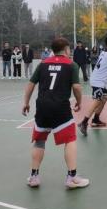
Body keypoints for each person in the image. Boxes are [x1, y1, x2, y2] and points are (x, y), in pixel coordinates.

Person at [22, 37, 88, 189]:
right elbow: (77, 87)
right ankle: (72, 177)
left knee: (39, 141)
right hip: (60, 107)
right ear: (66, 49)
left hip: (42, 106)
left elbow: (31, 84)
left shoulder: (43, 63)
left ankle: (34, 177)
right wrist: (79, 101)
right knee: (70, 139)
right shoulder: (71, 65)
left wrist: (26, 102)